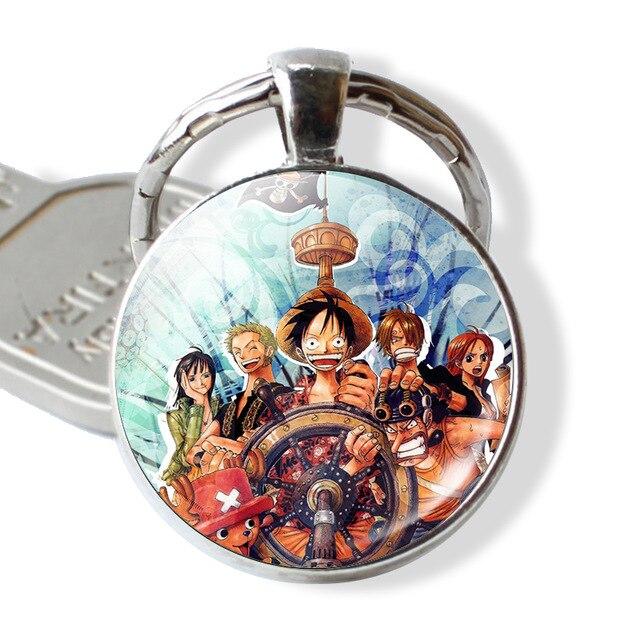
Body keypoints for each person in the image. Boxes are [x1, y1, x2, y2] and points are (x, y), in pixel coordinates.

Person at [373, 381, 504, 534]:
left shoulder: (453, 432)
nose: (400, 438)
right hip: (423, 528)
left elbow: (507, 431)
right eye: (391, 430)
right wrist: (373, 483)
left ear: (427, 418)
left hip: (467, 514)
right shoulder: (383, 443)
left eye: (409, 426)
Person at [275, 290, 377, 411]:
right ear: (300, 353)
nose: (324, 349)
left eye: (337, 341)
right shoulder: (288, 403)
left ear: (349, 351)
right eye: (312, 343)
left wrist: (371, 409)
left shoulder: (357, 395)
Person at [161, 348, 219, 484]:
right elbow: (186, 455)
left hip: (220, 465)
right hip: (191, 477)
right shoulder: (175, 417)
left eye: (205, 375)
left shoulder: (221, 407)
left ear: (212, 376)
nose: (200, 383)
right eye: (192, 379)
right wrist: (198, 403)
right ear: (184, 383)